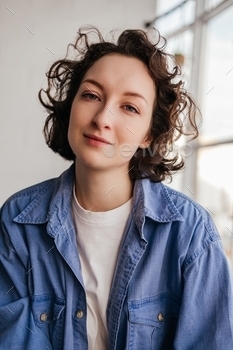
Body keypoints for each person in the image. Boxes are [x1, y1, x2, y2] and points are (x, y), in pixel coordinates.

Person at [0, 26, 232, 350]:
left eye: (130, 107)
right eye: (92, 95)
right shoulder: (17, 221)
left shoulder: (191, 233)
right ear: (72, 105)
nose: (102, 118)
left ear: (149, 135)